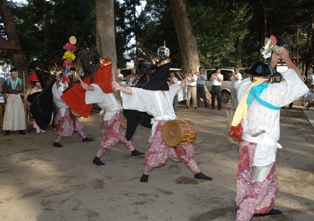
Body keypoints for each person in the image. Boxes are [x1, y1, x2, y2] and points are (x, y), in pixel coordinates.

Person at [113, 45, 212, 183]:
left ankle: (197, 172)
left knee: (184, 147)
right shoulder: (149, 93)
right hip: (161, 126)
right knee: (156, 150)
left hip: (174, 124)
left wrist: (186, 80)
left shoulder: (168, 90)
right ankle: (145, 174)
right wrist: (120, 88)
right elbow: (135, 92)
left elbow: (180, 86)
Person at [231, 47, 308, 221]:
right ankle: (243, 215)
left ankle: (264, 207)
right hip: (263, 146)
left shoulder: (244, 87)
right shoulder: (275, 92)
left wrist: (271, 64)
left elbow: (255, 81)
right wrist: (286, 59)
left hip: (246, 143)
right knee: (257, 185)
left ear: (251, 76)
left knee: (250, 178)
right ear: (271, 78)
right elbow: (299, 81)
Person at [52, 74, 94, 147]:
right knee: (66, 125)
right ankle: (56, 141)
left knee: (76, 123)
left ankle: (84, 137)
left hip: (69, 108)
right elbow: (58, 97)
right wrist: (57, 82)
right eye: (62, 77)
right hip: (64, 109)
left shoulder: (66, 84)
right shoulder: (56, 86)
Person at [1, 68, 26, 135]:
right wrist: (5, 102)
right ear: (11, 74)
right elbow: (4, 92)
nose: (15, 75)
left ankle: (21, 129)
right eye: (13, 74)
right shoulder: (7, 81)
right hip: (10, 98)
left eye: (16, 73)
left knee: (19, 113)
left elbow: (24, 91)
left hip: (18, 98)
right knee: (9, 113)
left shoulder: (21, 81)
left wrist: (25, 100)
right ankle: (7, 129)